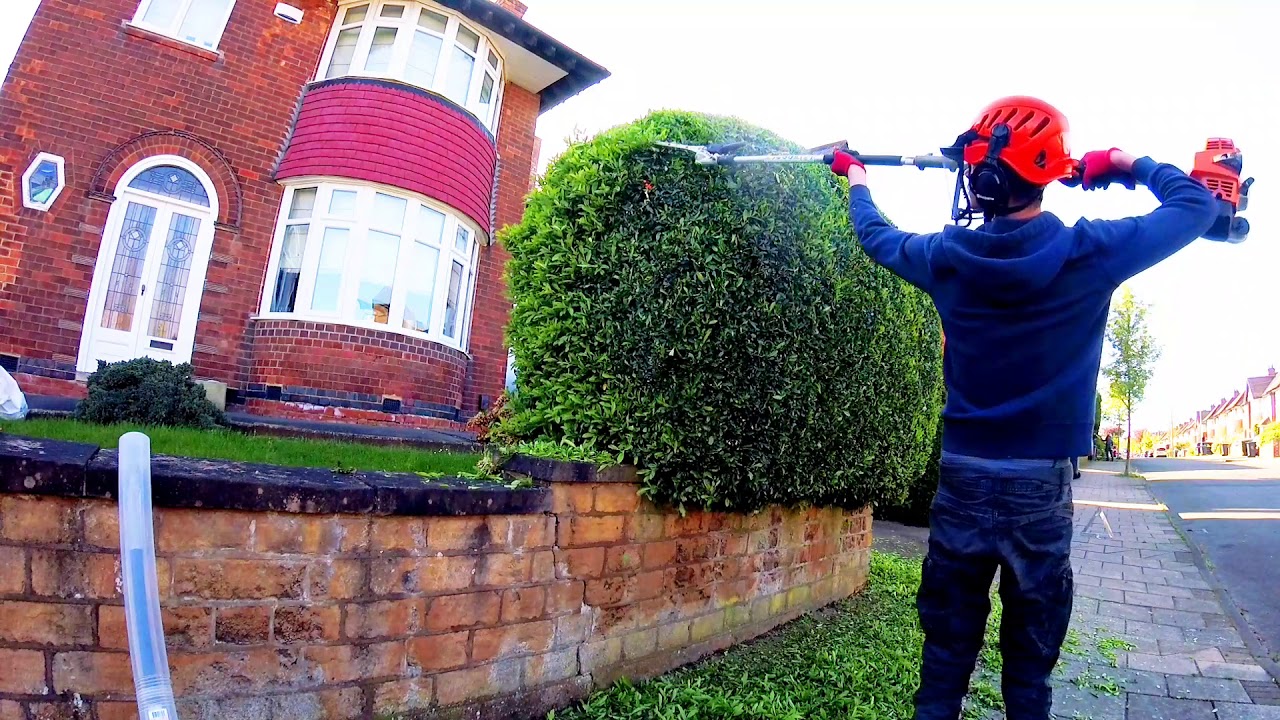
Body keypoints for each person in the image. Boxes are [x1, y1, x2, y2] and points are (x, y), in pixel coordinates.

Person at [828, 96, 1221, 720]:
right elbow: (1199, 205)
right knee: (1029, 673)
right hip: (1040, 489)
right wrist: (1124, 162)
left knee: (945, 660)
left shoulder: (946, 256)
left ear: (981, 178)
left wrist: (857, 180)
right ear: (1046, 173)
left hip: (960, 478)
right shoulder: (1091, 252)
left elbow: (875, 234)